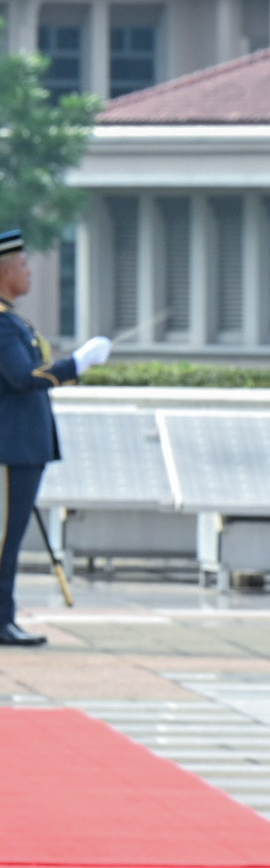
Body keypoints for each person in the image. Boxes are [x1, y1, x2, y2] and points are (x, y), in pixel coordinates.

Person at [0, 230, 106, 649]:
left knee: (9, 536)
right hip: (10, 449)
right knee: (5, 540)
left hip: (19, 449)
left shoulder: (11, 320)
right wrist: (74, 363)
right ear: (4, 271)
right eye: (23, 264)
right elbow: (23, 378)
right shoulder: (3, 325)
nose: (29, 271)